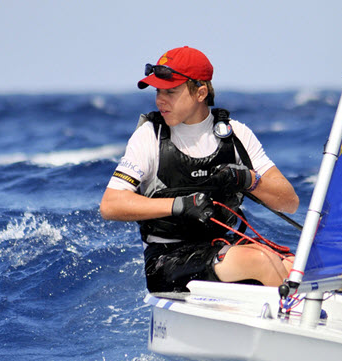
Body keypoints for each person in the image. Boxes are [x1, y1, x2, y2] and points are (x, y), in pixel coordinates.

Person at [100, 46, 299, 292]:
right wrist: (178, 205)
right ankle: (287, 317)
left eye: (170, 91)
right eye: (158, 91)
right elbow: (110, 205)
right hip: (167, 260)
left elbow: (289, 202)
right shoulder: (149, 136)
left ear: (201, 92)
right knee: (260, 260)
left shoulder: (237, 135)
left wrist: (249, 180)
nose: (160, 99)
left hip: (223, 248)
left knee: (294, 266)